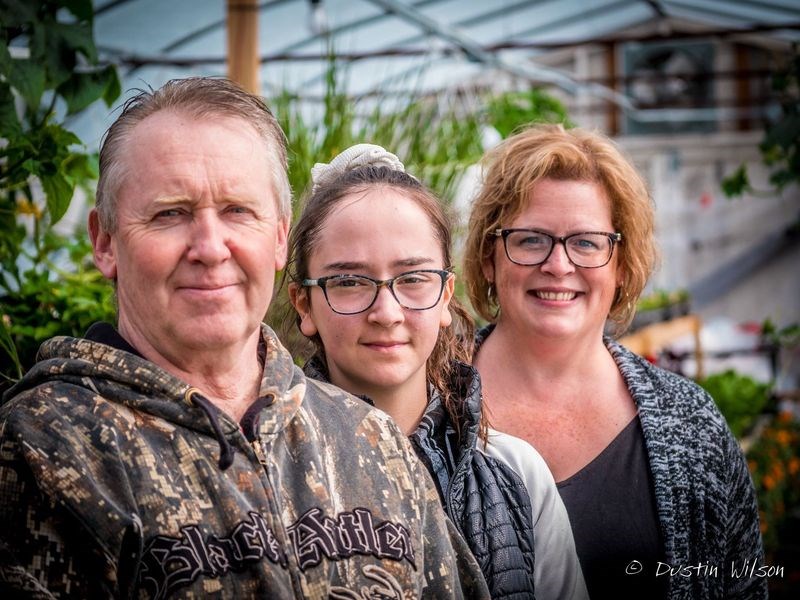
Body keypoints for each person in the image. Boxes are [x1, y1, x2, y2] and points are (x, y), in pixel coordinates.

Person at [0, 78, 490, 599]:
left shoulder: (371, 438)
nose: (211, 248)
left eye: (238, 211)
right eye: (170, 213)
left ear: (279, 238)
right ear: (105, 242)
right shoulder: (45, 452)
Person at [463, 123, 767, 599]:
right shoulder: (425, 409)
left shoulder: (691, 426)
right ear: (489, 257)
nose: (559, 265)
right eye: (530, 239)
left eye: (586, 242)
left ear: (622, 265)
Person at [286, 144, 589, 600]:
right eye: (349, 282)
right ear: (304, 304)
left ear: (446, 295)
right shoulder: (269, 476)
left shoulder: (516, 473)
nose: (386, 312)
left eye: (412, 279)